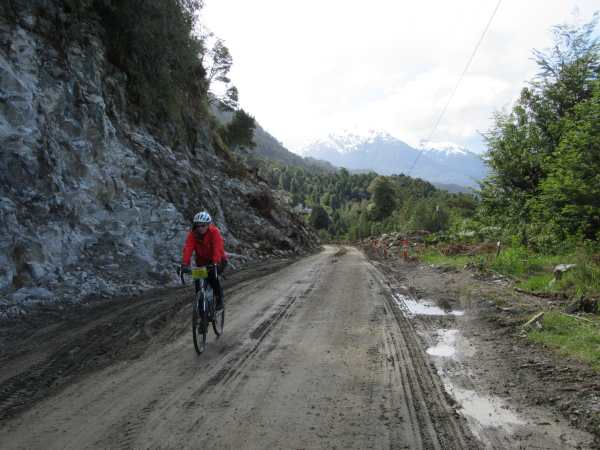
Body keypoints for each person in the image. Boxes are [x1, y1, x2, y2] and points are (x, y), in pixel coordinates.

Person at [181, 211, 227, 310]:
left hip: (218, 260)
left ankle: (219, 299)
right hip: (202, 262)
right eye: (198, 226)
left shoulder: (214, 232)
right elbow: (188, 248)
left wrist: (215, 262)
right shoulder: (193, 235)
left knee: (212, 277)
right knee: (198, 285)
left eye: (203, 225)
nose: (200, 228)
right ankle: (202, 313)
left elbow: (217, 248)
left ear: (208, 225)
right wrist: (185, 263)